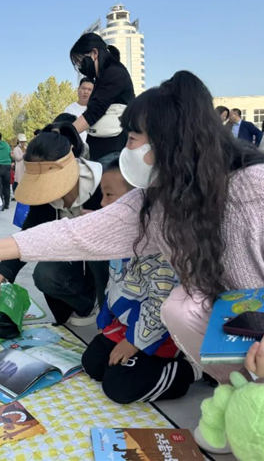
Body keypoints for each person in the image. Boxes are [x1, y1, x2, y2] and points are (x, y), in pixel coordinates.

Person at [0, 70, 264, 405]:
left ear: (168, 140)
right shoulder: (159, 199)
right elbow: (78, 233)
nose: (126, 149)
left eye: (132, 138)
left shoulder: (260, 185)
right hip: (236, 331)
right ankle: (238, 392)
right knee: (181, 306)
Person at [82, 157, 197, 404]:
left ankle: (189, 369)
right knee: (93, 363)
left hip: (162, 330)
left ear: (138, 200)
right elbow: (116, 281)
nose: (102, 203)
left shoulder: (161, 244)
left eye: (109, 195)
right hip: (131, 321)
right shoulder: (123, 234)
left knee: (118, 388)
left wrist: (134, 342)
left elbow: (161, 303)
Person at [0, 127, 106, 326]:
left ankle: (109, 313)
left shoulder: (106, 185)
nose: (47, 191)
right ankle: (85, 305)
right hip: (73, 261)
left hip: (109, 261)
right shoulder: (45, 199)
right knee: (45, 274)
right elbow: (26, 238)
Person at [69, 33, 134, 161]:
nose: (80, 67)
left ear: (94, 53)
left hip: (112, 149)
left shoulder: (115, 72)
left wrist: (66, 135)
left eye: (80, 61)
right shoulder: (101, 78)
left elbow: (93, 112)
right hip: (100, 147)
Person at [64, 78, 95, 144]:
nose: (86, 92)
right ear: (78, 89)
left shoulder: (96, 110)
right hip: (75, 150)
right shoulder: (69, 109)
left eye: (89, 90)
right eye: (83, 88)